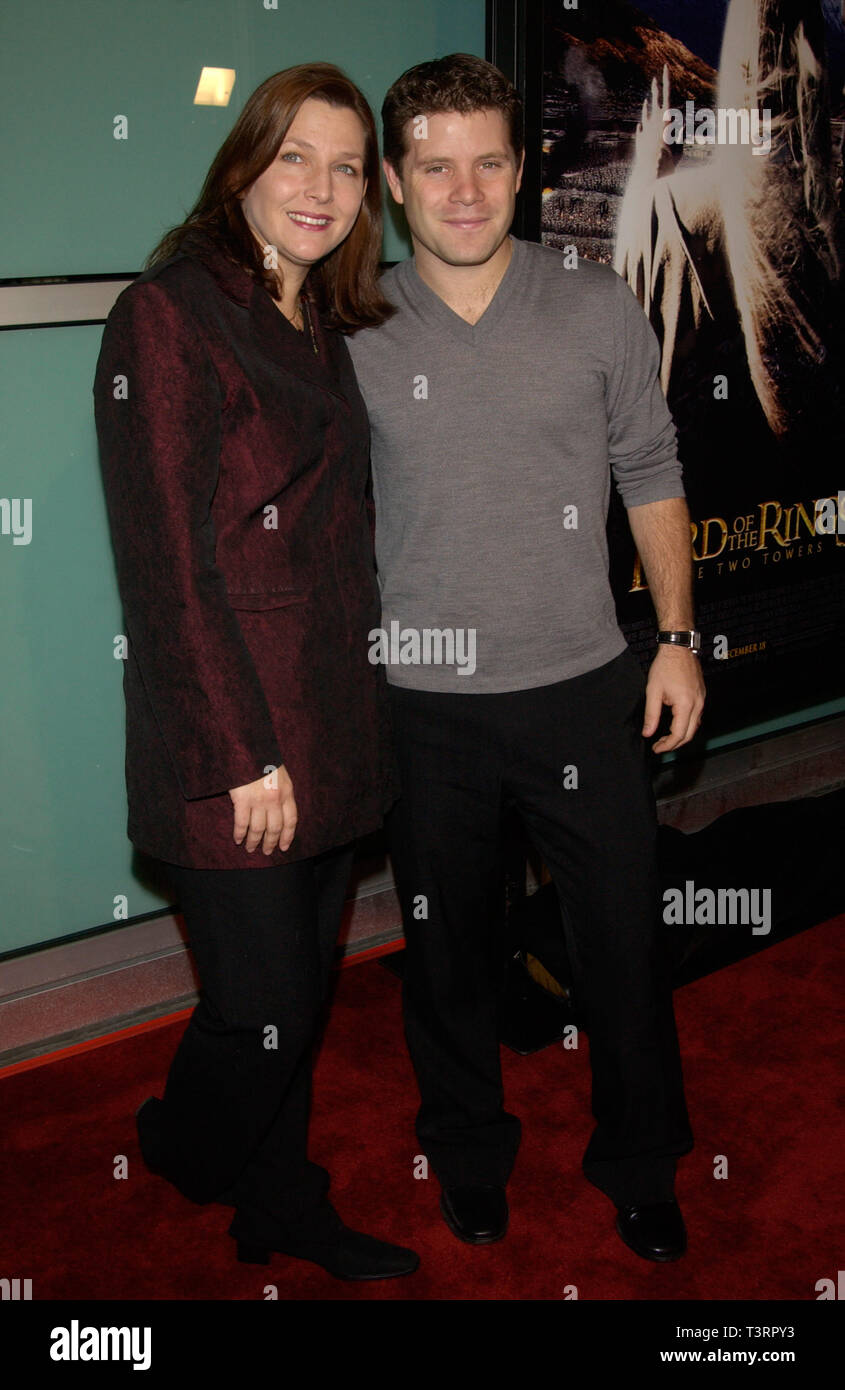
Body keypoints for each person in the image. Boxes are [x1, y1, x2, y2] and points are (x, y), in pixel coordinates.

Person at [347, 54, 706, 1262]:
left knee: (622, 948)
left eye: (487, 161)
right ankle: (465, 1156)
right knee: (445, 955)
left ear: (519, 169)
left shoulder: (594, 302)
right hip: (422, 709)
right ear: (396, 183)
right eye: (434, 166)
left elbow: (649, 473)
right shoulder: (349, 327)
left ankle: (642, 1163)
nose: (463, 189)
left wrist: (674, 640)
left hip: (581, 692)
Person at [93, 63, 418, 1282]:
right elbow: (167, 564)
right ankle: (185, 1143)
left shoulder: (315, 315)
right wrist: (244, 753)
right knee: (263, 1006)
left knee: (296, 1000)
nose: (322, 188)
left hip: (334, 721)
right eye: (296, 158)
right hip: (238, 744)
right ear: (244, 165)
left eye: (345, 167)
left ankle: (277, 1197)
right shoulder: (169, 313)